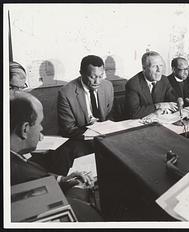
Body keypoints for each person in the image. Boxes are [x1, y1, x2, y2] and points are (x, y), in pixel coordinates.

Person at [10, 91, 102, 221]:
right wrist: (79, 188)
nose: (41, 130)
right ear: (24, 129)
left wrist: (62, 179)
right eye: (39, 123)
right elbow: (64, 215)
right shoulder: (24, 175)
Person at [57, 55, 114, 138]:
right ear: (81, 73)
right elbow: (68, 129)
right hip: (80, 137)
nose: (97, 81)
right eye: (92, 77)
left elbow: (110, 115)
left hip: (104, 134)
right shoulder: (66, 93)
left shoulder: (108, 86)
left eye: (101, 76)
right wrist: (93, 135)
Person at [125, 51, 177, 119]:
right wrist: (158, 106)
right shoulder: (133, 84)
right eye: (154, 66)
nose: (159, 70)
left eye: (161, 65)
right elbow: (134, 113)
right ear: (144, 68)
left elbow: (173, 103)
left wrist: (159, 111)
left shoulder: (164, 80)